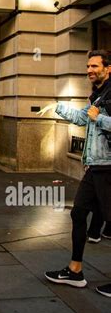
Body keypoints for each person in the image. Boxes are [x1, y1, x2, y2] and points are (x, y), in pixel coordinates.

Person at [44, 50, 111, 297]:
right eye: (88, 66)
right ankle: (75, 271)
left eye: (94, 66)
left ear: (108, 68)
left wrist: (101, 119)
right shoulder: (98, 94)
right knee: (79, 213)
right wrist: (58, 107)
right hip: (95, 166)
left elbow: (97, 119)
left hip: (108, 168)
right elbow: (83, 118)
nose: (89, 70)